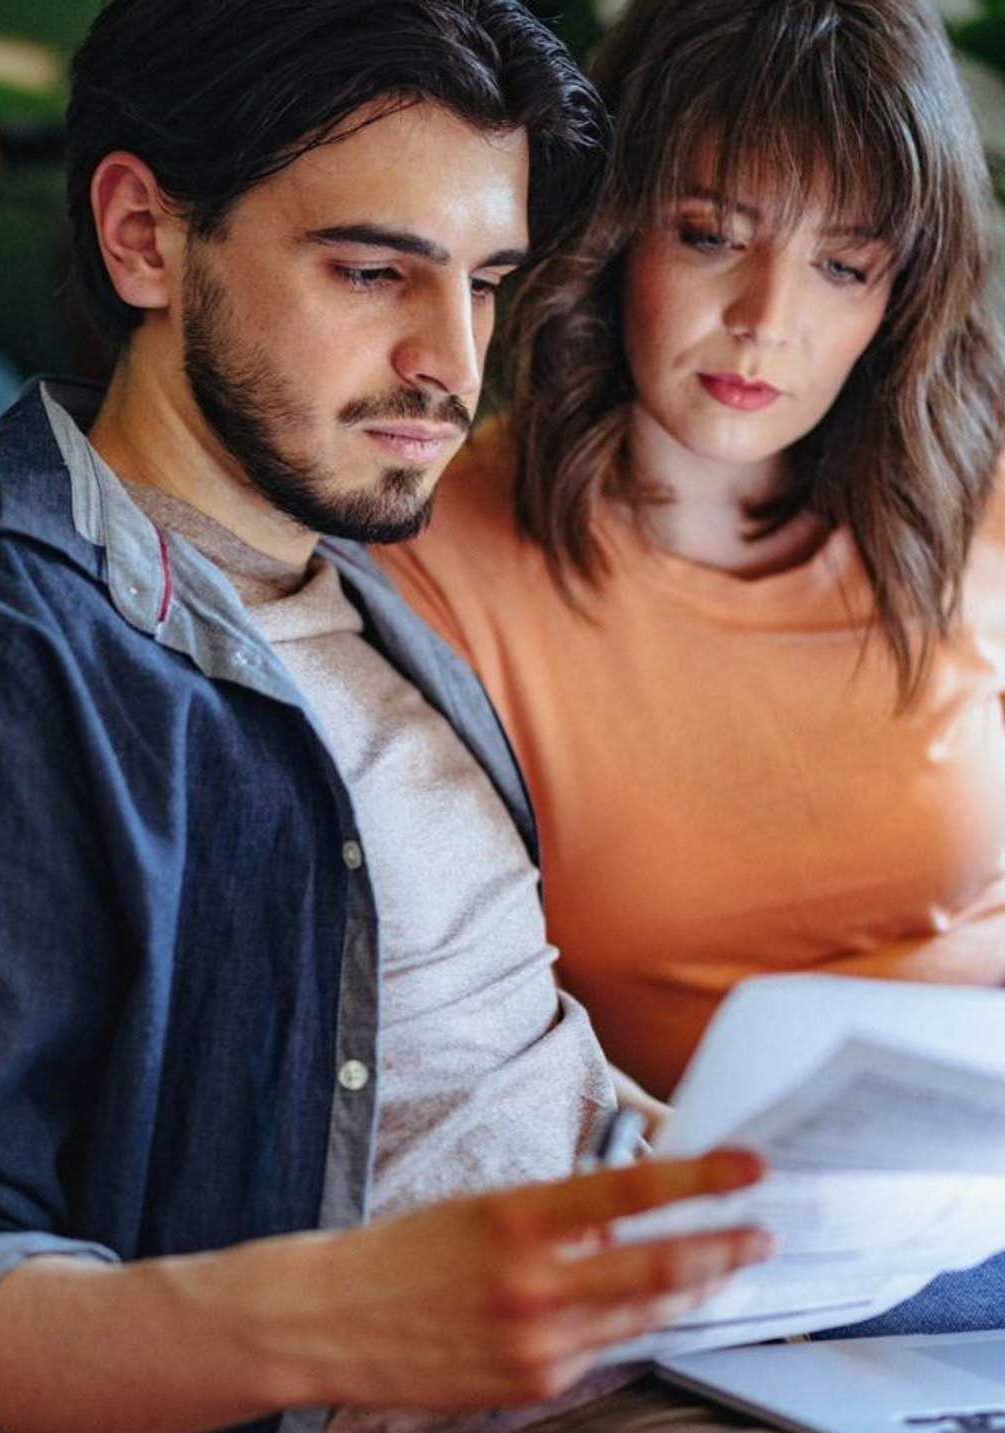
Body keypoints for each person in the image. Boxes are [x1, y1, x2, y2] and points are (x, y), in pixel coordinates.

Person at [0, 2, 931, 1433]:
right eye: (370, 271)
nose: (450, 363)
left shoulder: (365, 600)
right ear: (143, 236)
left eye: (485, 282)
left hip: (726, 1337)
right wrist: (342, 1316)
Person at [376, 0, 1005, 1107]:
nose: (766, 319)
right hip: (675, 1176)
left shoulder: (976, 489)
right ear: (611, 230)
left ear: (901, 291)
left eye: (843, 265)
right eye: (710, 236)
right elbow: (454, 1039)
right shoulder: (434, 555)